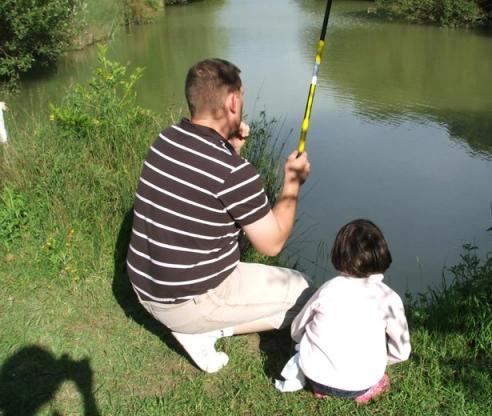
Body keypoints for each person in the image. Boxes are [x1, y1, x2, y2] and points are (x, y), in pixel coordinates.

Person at [126, 58, 314, 373]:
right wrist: (292, 183)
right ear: (232, 101)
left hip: (145, 287)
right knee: (304, 292)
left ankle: (198, 323)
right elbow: (272, 242)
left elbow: (203, 189)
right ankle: (203, 331)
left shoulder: (165, 140)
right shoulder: (234, 173)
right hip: (186, 302)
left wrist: (231, 148)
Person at [290, 219, 411, 404]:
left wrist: (304, 343)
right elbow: (402, 353)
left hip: (314, 377)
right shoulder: (389, 298)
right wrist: (382, 360)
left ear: (338, 255)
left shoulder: (329, 288)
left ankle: (321, 389)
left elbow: (296, 330)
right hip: (361, 382)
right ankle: (367, 390)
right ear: (382, 254)